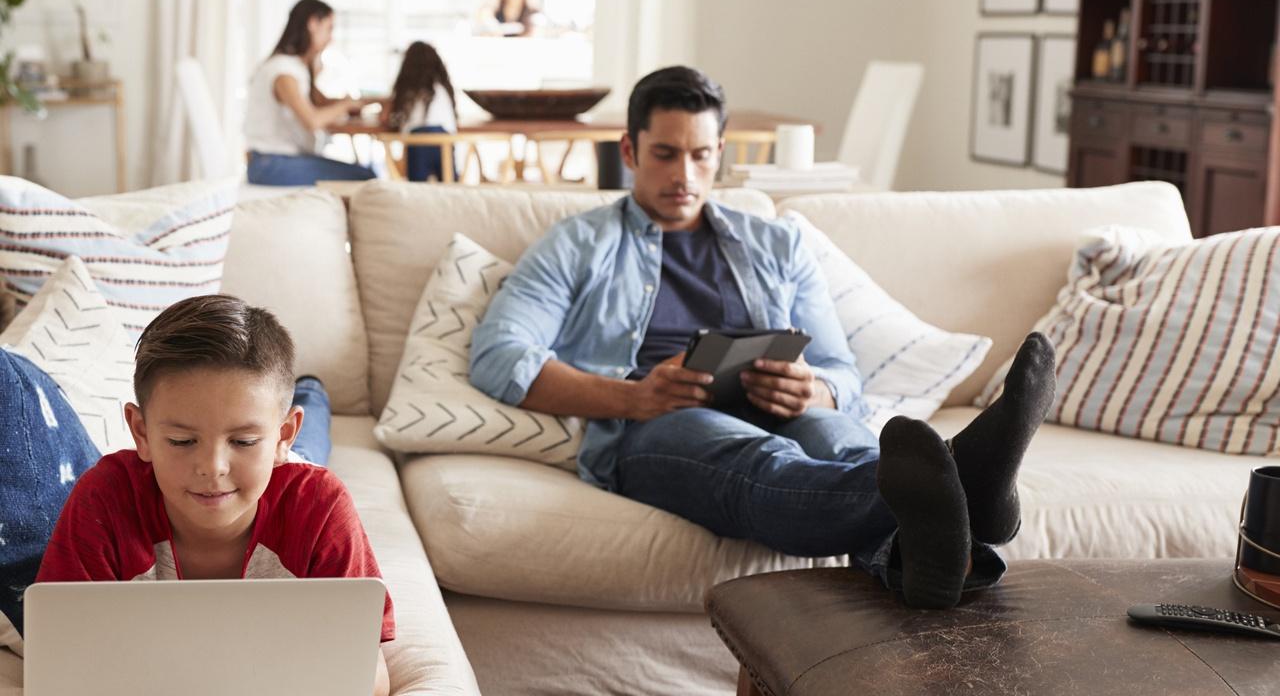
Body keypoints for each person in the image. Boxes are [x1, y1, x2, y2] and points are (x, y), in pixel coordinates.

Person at [470, 65, 1057, 609]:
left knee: (845, 443)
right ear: (629, 151)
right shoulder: (577, 243)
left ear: (719, 153)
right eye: (665, 155)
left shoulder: (778, 245)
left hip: (781, 410)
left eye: (700, 156)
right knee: (763, 462)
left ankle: (929, 565)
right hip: (656, 425)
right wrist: (633, 396)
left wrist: (813, 391)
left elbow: (840, 371)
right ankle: (972, 489)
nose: (683, 176)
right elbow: (500, 356)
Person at [36, 295, 392, 696]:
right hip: (263, 466)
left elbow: (371, 676)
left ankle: (311, 394)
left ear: (282, 435)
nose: (212, 466)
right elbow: (59, 657)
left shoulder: (321, 504)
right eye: (182, 440)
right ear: (141, 433)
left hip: (287, 467)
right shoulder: (102, 498)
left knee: (312, 446)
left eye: (242, 440)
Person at [244, 0, 376, 186]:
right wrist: (346, 105)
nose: (331, 38)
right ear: (313, 24)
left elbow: (319, 102)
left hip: (278, 161)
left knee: (365, 174)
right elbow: (312, 120)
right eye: (329, 28)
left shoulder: (294, 67)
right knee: (365, 178)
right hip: (271, 164)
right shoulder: (283, 72)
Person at [383, 41, 458, 182]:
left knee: (417, 191)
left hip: (417, 143)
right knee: (449, 187)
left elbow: (392, 120)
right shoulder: (442, 88)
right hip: (445, 143)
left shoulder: (408, 93)